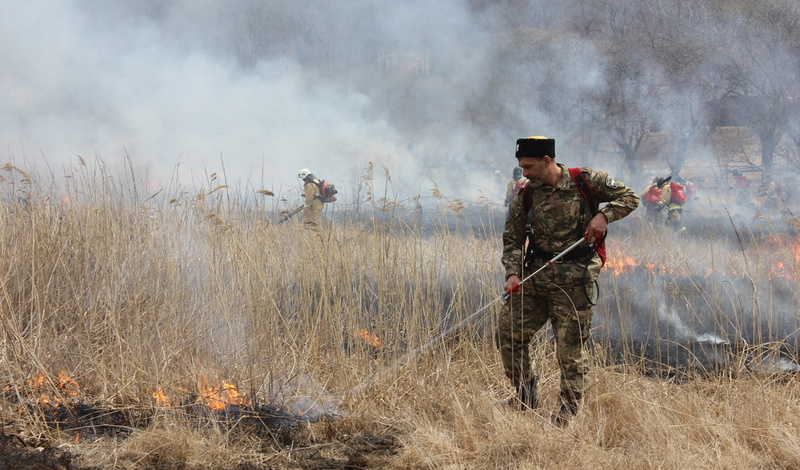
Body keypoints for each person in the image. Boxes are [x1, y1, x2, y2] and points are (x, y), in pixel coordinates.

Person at [497, 136, 639, 424]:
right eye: (521, 167)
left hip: (575, 279)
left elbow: (630, 198)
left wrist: (604, 216)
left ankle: (567, 414)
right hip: (535, 276)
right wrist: (513, 273)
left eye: (529, 166)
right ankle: (525, 395)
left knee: (569, 350)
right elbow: (513, 239)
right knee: (508, 334)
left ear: (547, 161)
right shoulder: (526, 195)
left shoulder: (585, 181)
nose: (524, 172)